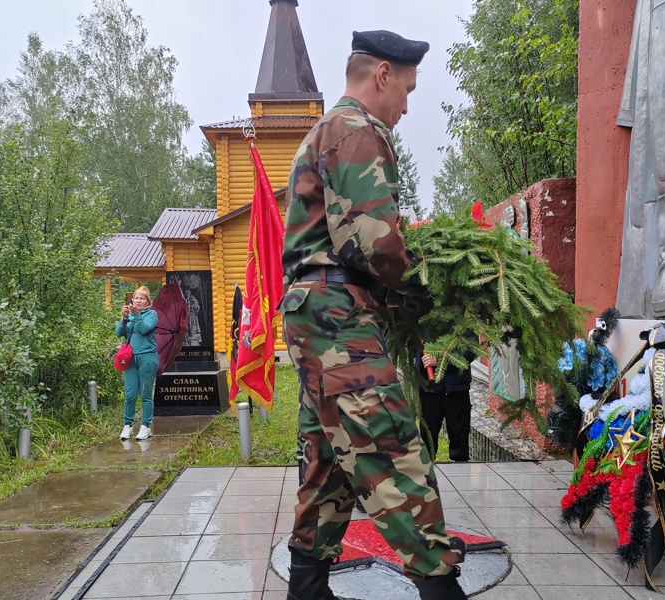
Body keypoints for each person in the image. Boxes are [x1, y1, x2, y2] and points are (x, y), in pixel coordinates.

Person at [280, 30, 466, 600]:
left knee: (331, 459)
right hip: (338, 317)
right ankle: (439, 588)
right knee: (391, 446)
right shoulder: (358, 130)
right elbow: (376, 244)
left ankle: (307, 588)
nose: (408, 104)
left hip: (316, 313)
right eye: (407, 88)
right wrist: (429, 292)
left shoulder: (324, 131)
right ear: (382, 75)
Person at [417, 345, 474, 463]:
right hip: (428, 389)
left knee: (460, 445)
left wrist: (441, 360)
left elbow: (471, 350)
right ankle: (426, 478)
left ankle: (461, 479)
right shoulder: (421, 326)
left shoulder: (463, 326)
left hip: (456, 389)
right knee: (427, 444)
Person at [116, 286, 158, 441]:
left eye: (142, 298)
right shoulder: (130, 315)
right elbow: (119, 332)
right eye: (136, 298)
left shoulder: (152, 314)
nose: (138, 300)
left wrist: (136, 315)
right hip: (130, 359)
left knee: (146, 394)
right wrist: (125, 317)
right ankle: (127, 424)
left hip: (147, 358)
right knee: (130, 393)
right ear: (131, 300)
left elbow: (145, 329)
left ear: (149, 302)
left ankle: (146, 425)